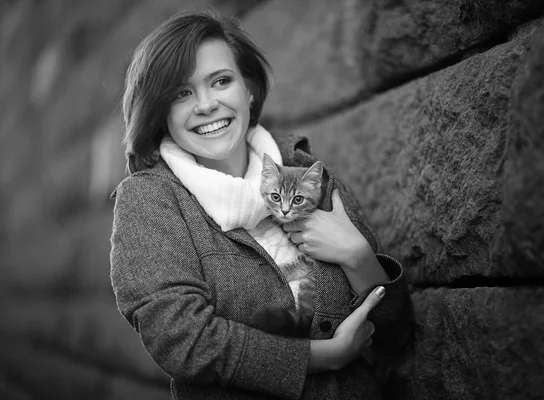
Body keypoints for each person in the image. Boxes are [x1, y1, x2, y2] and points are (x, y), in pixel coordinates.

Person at [110, 11, 413, 400]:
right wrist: (320, 357)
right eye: (181, 93)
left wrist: (357, 256)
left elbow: (396, 335)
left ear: (249, 90)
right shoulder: (150, 201)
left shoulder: (304, 169)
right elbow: (182, 340)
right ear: (160, 111)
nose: (206, 105)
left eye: (221, 81)